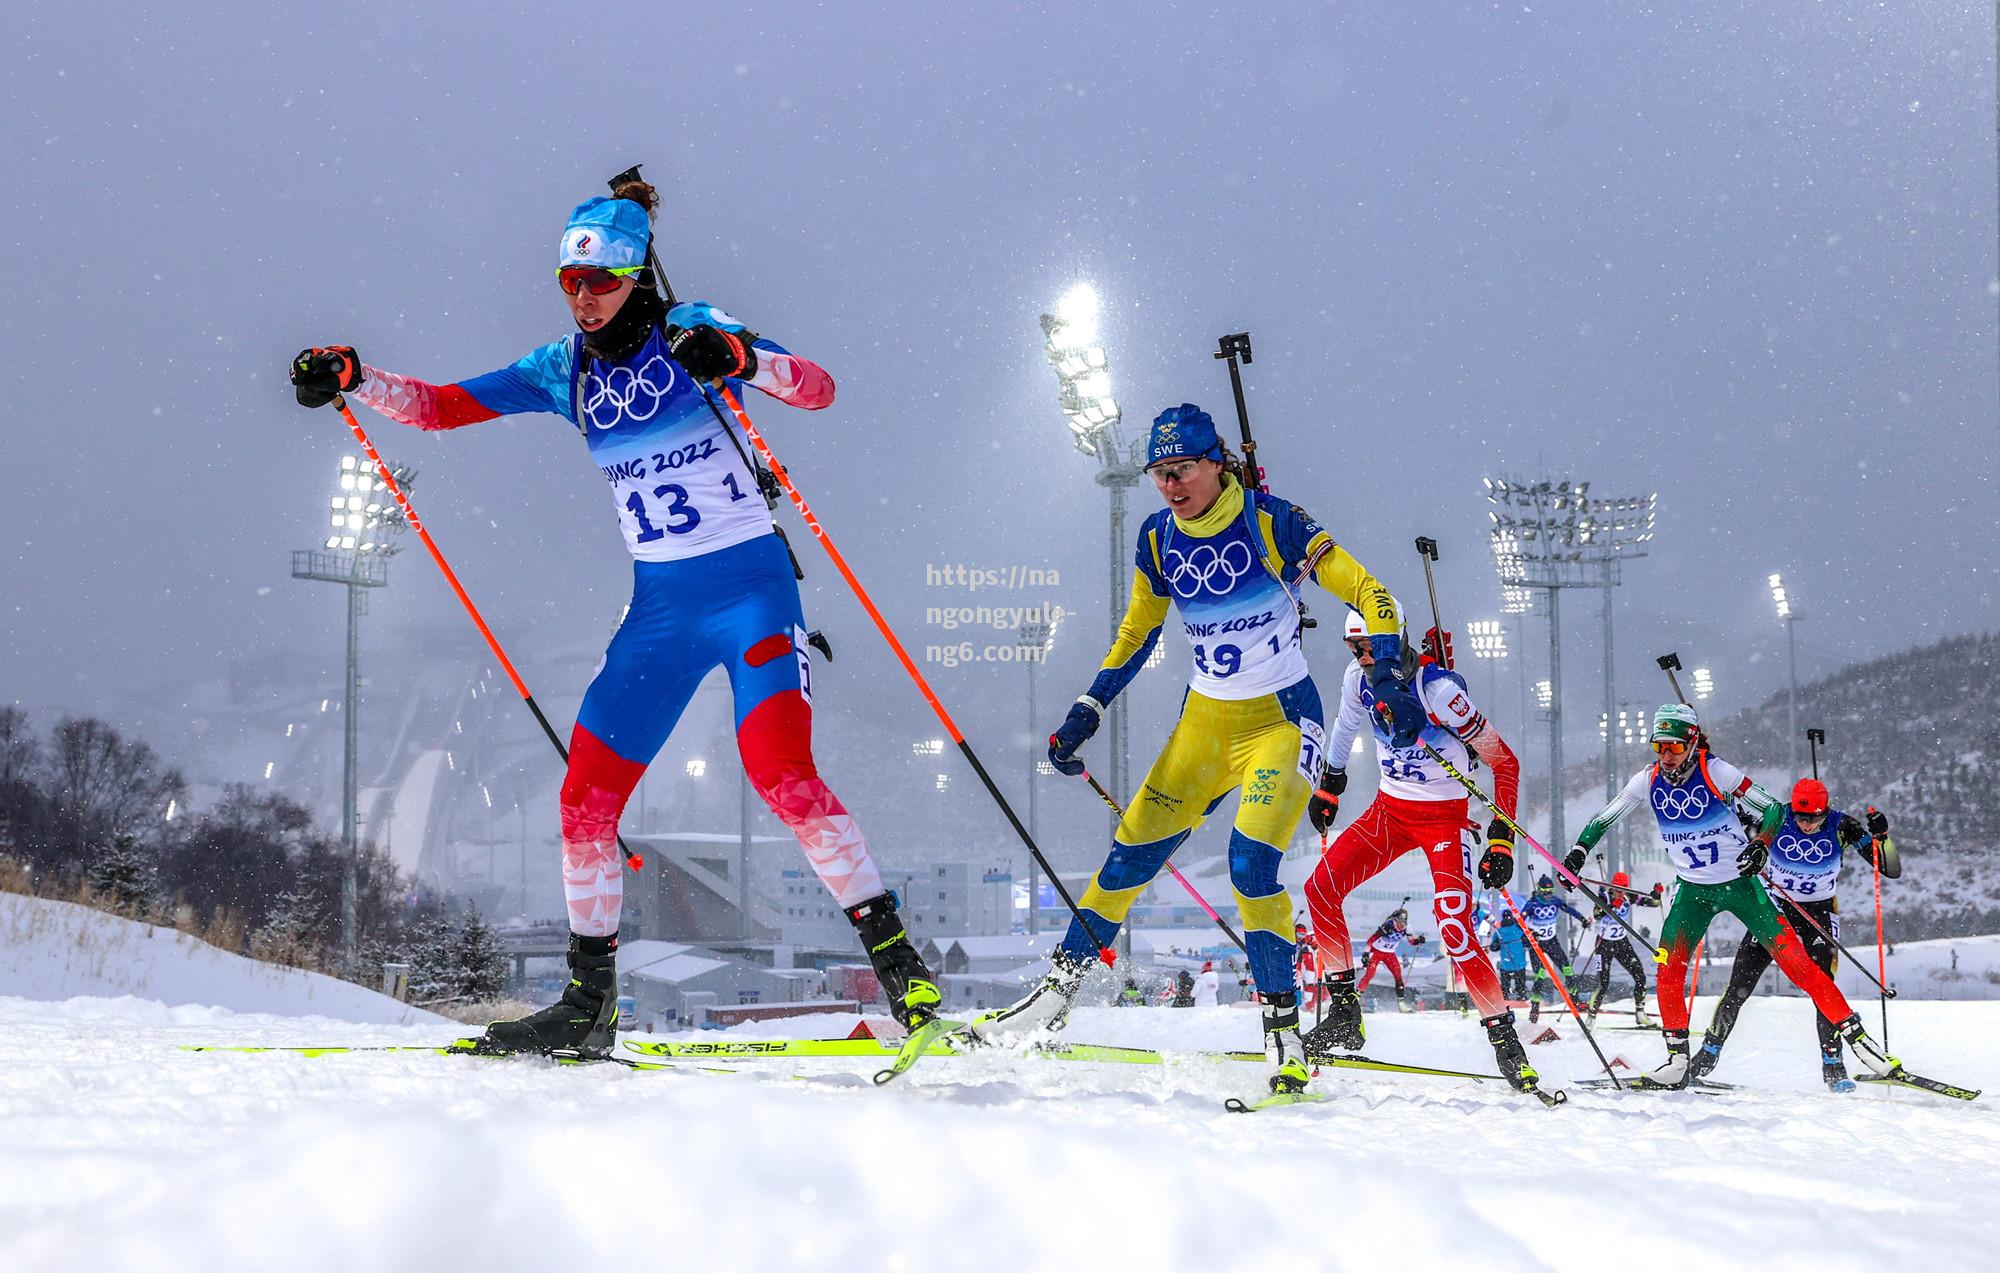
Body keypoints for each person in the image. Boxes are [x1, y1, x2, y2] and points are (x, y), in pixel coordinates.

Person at [289, 179, 943, 1057]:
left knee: (780, 771)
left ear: (638, 275)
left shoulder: (692, 330)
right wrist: (357, 378)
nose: (584, 298)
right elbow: (445, 406)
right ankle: (589, 1004)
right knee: (583, 802)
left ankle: (902, 968)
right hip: (661, 608)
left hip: (751, 589)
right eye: (569, 282)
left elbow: (819, 389)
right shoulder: (564, 369)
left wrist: (745, 361)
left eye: (599, 282)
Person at [969, 404, 1416, 1097]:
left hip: (1280, 722)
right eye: (1159, 474)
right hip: (1204, 726)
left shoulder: (1274, 522)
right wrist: (1088, 707)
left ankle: (1285, 1036)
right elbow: (1135, 633)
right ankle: (1054, 998)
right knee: (1126, 857)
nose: (1170, 485)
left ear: (1217, 464)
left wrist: (1386, 668)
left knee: (1250, 864)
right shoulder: (1155, 540)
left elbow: (1371, 592)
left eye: (1181, 470)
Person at [1560, 704, 1902, 1088]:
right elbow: (1606, 816)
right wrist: (1579, 852)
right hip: (1692, 890)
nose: (1666, 756)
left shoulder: (1716, 770)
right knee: (1669, 968)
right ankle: (1677, 1058)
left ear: (1691, 742)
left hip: (1741, 886)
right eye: (1659, 747)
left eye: (1673, 746)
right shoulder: (1647, 779)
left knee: (1800, 965)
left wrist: (1761, 845)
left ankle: (1861, 1044)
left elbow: (1772, 808)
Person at [1299, 613, 1544, 1097]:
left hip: (1443, 820)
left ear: (1395, 641)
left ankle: (1505, 1041)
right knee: (1319, 889)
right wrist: (1331, 784)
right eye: (1354, 648)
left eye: (1370, 646)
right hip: (1389, 811)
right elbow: (1345, 727)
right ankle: (1346, 1015)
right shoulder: (1358, 679)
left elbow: (1504, 762)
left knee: (1454, 927)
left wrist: (1501, 838)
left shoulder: (1439, 691)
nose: (1362, 657)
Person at [1691, 779, 1898, 1089]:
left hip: (1818, 913)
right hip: (1774, 910)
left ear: (1824, 812)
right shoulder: (1776, 818)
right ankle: (1707, 1055)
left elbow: (1890, 867)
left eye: (1813, 818)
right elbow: (1734, 828)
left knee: (1823, 986)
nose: (1806, 824)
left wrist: (1882, 837)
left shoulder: (1842, 826)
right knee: (1739, 986)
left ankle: (1833, 1063)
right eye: (1801, 817)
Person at [1585, 872, 1658, 1026]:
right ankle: (1591, 1018)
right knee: (1603, 983)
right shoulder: (1604, 897)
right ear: (1612, 886)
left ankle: (1640, 1014)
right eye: (1617, 888)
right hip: (1604, 945)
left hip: (1621, 943)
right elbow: (1597, 914)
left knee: (1640, 976)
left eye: (1623, 888)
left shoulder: (1628, 896)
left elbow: (1653, 903)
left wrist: (1656, 894)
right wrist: (1610, 906)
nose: (1620, 891)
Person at [1517, 876, 1589, 1023]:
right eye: (1545, 892)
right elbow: (1519, 922)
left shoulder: (1555, 901)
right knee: (1540, 975)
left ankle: (1575, 999)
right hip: (1536, 944)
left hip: (1551, 942)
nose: (1548, 895)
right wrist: (1531, 932)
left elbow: (1569, 909)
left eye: (1550, 891)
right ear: (1539, 891)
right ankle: (1535, 1007)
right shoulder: (1532, 904)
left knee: (1567, 968)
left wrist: (1582, 919)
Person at [1355, 907, 1428, 1012]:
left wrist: (1418, 941)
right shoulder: (1388, 926)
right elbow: (1370, 940)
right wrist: (1366, 954)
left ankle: (1401, 1003)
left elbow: (1412, 941)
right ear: (1395, 921)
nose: (1401, 926)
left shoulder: (1407, 927)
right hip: (1377, 952)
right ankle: (1355, 998)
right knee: (1369, 975)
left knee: (1398, 975)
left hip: (1389, 954)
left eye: (1403, 923)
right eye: (1399, 923)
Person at [1490, 911, 1529, 1001]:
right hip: (1519, 963)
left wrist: (1496, 945)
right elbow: (1527, 942)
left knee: (1505, 982)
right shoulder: (1519, 929)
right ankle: (1521, 994)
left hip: (1506, 963)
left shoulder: (1499, 932)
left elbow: (1493, 947)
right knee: (1520, 981)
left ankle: (1505, 995)